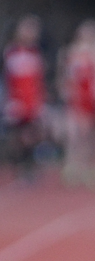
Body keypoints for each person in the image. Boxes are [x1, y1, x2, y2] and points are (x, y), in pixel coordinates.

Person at [58, 20, 95, 186]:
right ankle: (73, 166)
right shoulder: (70, 52)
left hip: (91, 97)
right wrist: (66, 90)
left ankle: (90, 167)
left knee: (91, 134)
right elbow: (64, 74)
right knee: (75, 134)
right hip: (76, 97)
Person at [2, 15, 47, 177]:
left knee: (32, 134)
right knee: (18, 136)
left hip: (32, 100)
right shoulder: (10, 52)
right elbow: (6, 79)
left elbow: (39, 80)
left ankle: (29, 167)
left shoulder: (36, 52)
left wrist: (40, 101)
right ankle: (18, 167)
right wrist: (9, 101)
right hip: (15, 100)